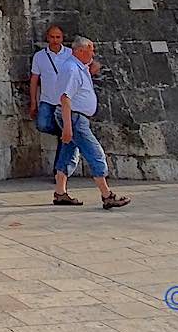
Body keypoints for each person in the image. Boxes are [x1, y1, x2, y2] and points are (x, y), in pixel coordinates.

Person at [52, 37, 130, 209]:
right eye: (90, 50)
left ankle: (60, 192)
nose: (93, 54)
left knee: (68, 153)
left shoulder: (78, 66)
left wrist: (92, 64)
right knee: (95, 153)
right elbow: (65, 98)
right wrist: (67, 126)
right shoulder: (72, 69)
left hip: (76, 116)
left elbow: (91, 65)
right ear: (80, 51)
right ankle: (107, 195)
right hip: (74, 117)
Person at [29, 25, 72, 138]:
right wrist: (33, 102)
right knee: (42, 125)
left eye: (58, 37)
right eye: (52, 37)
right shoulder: (39, 56)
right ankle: (63, 134)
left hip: (66, 100)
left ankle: (66, 136)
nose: (55, 40)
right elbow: (34, 79)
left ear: (62, 38)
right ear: (47, 38)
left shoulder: (71, 54)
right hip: (47, 99)